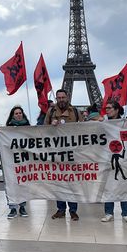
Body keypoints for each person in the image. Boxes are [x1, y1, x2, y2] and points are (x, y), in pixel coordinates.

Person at [45, 89, 80, 221]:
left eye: (63, 97)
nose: (61, 99)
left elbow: (84, 129)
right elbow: (42, 131)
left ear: (67, 97)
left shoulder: (75, 112)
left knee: (72, 183)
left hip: (71, 153)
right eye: (58, 97)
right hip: (56, 153)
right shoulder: (51, 112)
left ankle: (73, 210)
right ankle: (60, 209)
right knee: (58, 182)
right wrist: (50, 126)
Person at [101, 101, 127, 224]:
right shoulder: (103, 123)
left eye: (110, 108)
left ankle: (125, 213)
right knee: (109, 187)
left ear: (116, 110)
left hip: (123, 158)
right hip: (107, 158)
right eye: (106, 108)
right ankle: (109, 213)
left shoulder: (125, 124)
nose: (107, 110)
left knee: (123, 187)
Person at [4, 105, 30, 219]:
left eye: (20, 113)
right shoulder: (7, 129)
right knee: (11, 184)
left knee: (23, 184)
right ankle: (13, 207)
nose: (19, 115)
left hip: (23, 161)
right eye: (16, 113)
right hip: (11, 161)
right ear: (12, 115)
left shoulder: (28, 127)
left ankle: (22, 206)